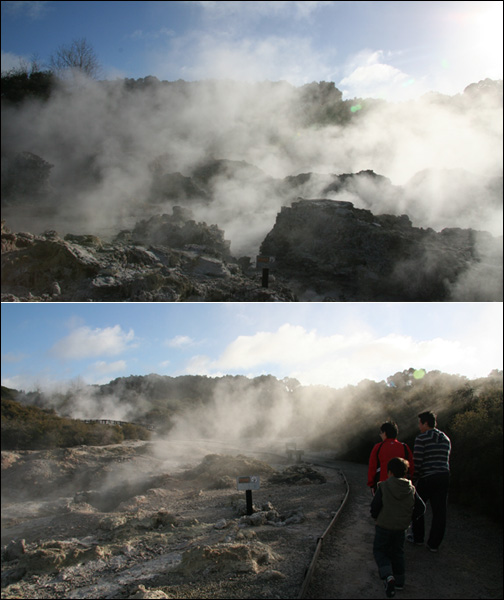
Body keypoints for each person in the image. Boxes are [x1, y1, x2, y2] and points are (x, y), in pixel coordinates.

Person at [371, 457, 426, 598]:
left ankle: (388, 576)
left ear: (389, 472)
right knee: (398, 553)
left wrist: (376, 516)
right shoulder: (411, 488)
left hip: (384, 525)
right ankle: (400, 583)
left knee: (380, 551)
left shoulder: (383, 486)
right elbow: (421, 508)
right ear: (405, 472)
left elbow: (375, 506)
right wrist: (409, 517)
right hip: (401, 528)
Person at [408, 410, 451, 552]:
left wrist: (413, 479)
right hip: (444, 476)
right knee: (440, 512)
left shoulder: (422, 438)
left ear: (426, 423)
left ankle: (418, 537)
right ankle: (434, 544)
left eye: (420, 423)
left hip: (428, 477)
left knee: (418, 507)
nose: (419, 426)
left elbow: (418, 461)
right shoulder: (445, 438)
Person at [368, 421, 414, 494]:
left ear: (385, 433)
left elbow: (372, 467)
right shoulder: (404, 447)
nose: (380, 435)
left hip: (382, 484)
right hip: (401, 486)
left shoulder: (378, 447)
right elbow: (411, 466)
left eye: (381, 433)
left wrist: (371, 484)